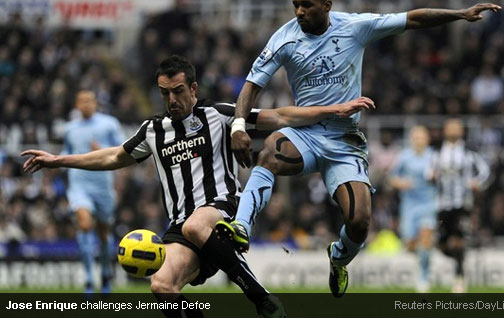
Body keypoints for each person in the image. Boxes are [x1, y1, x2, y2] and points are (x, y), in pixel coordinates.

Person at [22, 55, 375, 317]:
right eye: (165, 94)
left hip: (221, 209)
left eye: (178, 91)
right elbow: (114, 157)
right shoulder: (153, 131)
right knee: (161, 286)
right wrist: (58, 160)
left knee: (196, 224)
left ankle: (259, 296)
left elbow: (280, 116)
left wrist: (333, 110)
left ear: (192, 89)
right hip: (181, 228)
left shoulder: (220, 115)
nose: (172, 100)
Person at [217, 0, 501, 297]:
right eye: (295, 4)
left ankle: (338, 259)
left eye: (306, 5)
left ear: (327, 6)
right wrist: (239, 126)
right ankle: (241, 227)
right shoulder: (284, 39)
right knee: (270, 151)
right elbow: (251, 85)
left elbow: (413, 17)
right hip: (305, 133)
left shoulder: (356, 27)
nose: (298, 11)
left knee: (360, 221)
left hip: (344, 140)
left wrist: (459, 14)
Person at [63, 90, 125, 293]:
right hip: (79, 184)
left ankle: (106, 273)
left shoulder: (109, 124)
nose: (86, 104)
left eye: (89, 101)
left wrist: (102, 148)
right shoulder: (70, 129)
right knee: (84, 223)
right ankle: (89, 279)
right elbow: (67, 152)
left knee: (104, 233)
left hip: (103, 186)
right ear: (77, 104)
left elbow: (123, 150)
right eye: (82, 101)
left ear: (96, 103)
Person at [430, 118, 490, 293]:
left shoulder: (469, 151)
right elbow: (429, 172)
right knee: (442, 244)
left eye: (457, 127)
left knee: (457, 241)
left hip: (462, 203)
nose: (454, 130)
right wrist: (431, 177)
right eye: (451, 127)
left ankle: (459, 277)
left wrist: (477, 183)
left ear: (462, 131)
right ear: (445, 130)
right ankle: (460, 261)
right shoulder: (438, 152)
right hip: (441, 205)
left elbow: (486, 171)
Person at [389, 126, 436, 292]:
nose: (418, 140)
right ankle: (424, 258)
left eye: (421, 137)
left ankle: (424, 277)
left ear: (427, 139)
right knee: (409, 243)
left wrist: (437, 177)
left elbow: (442, 177)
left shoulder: (434, 157)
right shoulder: (404, 157)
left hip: (429, 203)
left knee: (425, 237)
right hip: (409, 205)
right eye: (415, 137)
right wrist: (402, 183)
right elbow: (392, 178)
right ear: (411, 139)